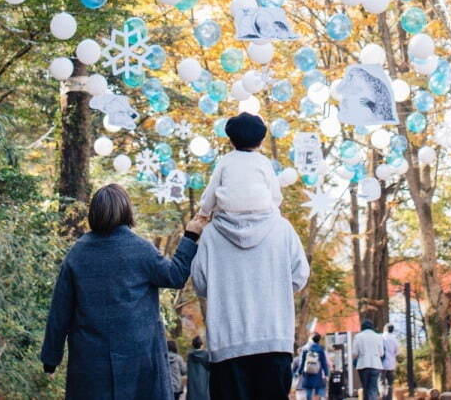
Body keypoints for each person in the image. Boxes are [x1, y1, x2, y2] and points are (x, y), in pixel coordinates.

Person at [40, 184, 207, 399]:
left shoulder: (78, 253)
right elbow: (175, 276)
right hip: (139, 359)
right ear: (126, 210)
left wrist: (51, 359)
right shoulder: (140, 249)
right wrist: (190, 236)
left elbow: (59, 311)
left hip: (90, 363)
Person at [192, 114, 310, 400]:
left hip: (227, 344)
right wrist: (275, 288)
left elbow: (201, 284)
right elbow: (299, 276)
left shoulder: (210, 236)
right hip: (275, 338)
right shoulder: (282, 230)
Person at [198, 111, 282, 218]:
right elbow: (275, 196)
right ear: (260, 142)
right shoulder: (264, 162)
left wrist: (204, 212)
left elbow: (210, 192)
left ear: (231, 142)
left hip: (227, 218)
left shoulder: (225, 160)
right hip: (261, 218)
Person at [352, 320, 386, 400]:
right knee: (373, 388)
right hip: (375, 364)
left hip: (363, 365)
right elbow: (381, 353)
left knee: (365, 388)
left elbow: (354, 353)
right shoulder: (378, 336)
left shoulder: (358, 336)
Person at [296, 333, 330, 400]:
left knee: (309, 389)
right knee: (317, 389)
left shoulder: (305, 349)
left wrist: (299, 372)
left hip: (307, 372)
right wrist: (326, 374)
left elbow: (302, 362)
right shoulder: (320, 349)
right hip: (317, 372)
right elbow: (324, 363)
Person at [380, 324, 400, 400]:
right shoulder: (394, 338)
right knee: (390, 383)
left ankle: (383, 397)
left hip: (382, 364)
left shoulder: (381, 337)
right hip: (391, 364)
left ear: (385, 329)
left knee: (382, 382)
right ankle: (389, 398)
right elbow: (397, 351)